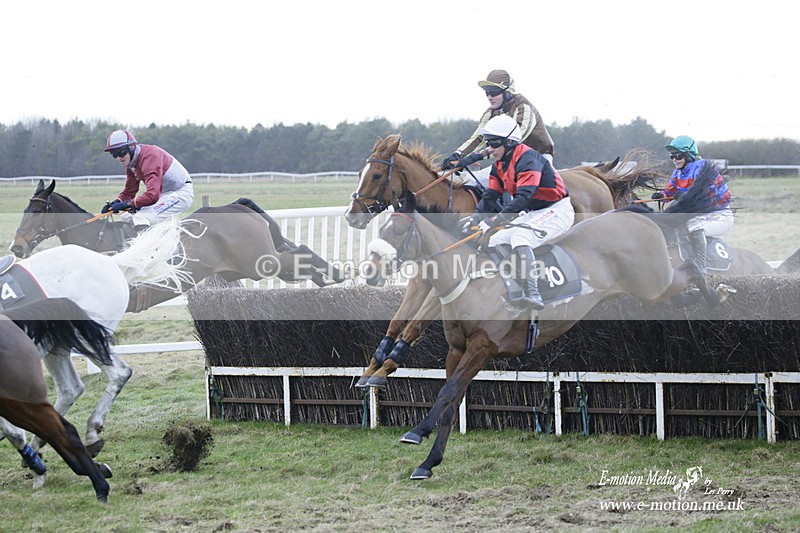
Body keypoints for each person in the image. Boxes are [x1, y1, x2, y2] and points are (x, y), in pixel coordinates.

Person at [458, 114, 574, 310]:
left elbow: (522, 198)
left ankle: (534, 293)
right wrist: (475, 218)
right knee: (496, 240)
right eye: (488, 143)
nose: (490, 148)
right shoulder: (499, 165)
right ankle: (514, 286)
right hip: (535, 212)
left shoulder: (528, 159)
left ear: (510, 142)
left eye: (494, 143)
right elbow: (490, 197)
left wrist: (492, 221)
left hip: (557, 210)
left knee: (521, 237)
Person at [442, 69, 555, 172]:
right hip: (509, 158)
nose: (489, 97)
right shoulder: (490, 113)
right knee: (475, 183)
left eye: (494, 92)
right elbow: (478, 138)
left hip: (538, 156)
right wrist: (458, 155)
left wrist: (473, 157)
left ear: (507, 92)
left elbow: (512, 142)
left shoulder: (524, 108)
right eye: (487, 92)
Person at [651, 135, 733, 276]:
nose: (675, 159)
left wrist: (687, 197)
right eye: (672, 156)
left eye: (678, 155)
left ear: (689, 155)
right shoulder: (677, 173)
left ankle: (701, 269)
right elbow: (669, 192)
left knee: (694, 228)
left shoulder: (703, 169)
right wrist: (661, 195)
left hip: (720, 215)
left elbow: (707, 196)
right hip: (701, 215)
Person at [101, 130, 194, 231]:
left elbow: (152, 195)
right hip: (164, 195)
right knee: (126, 217)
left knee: (141, 217)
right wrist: (116, 202)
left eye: (121, 153)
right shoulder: (131, 163)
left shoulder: (150, 157)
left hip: (181, 193)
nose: (119, 158)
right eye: (114, 154)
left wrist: (127, 204)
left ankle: (148, 247)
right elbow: (129, 191)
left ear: (131, 147)